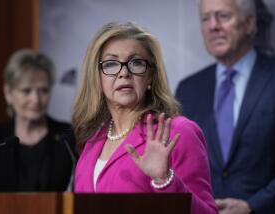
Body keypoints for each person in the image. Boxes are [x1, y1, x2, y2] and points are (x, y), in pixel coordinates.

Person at [72, 22, 217, 213]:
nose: (124, 73)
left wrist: (165, 180)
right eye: (111, 64)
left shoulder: (177, 132)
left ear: (150, 76)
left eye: (136, 62)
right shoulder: (91, 143)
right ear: (97, 77)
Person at [175, 0, 275, 213]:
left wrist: (253, 206)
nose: (213, 26)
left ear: (249, 23)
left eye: (223, 16)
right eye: (205, 18)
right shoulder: (188, 89)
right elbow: (181, 163)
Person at [0, 49, 75, 192]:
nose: (36, 99)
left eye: (43, 90)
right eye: (26, 90)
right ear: (8, 92)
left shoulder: (68, 137)